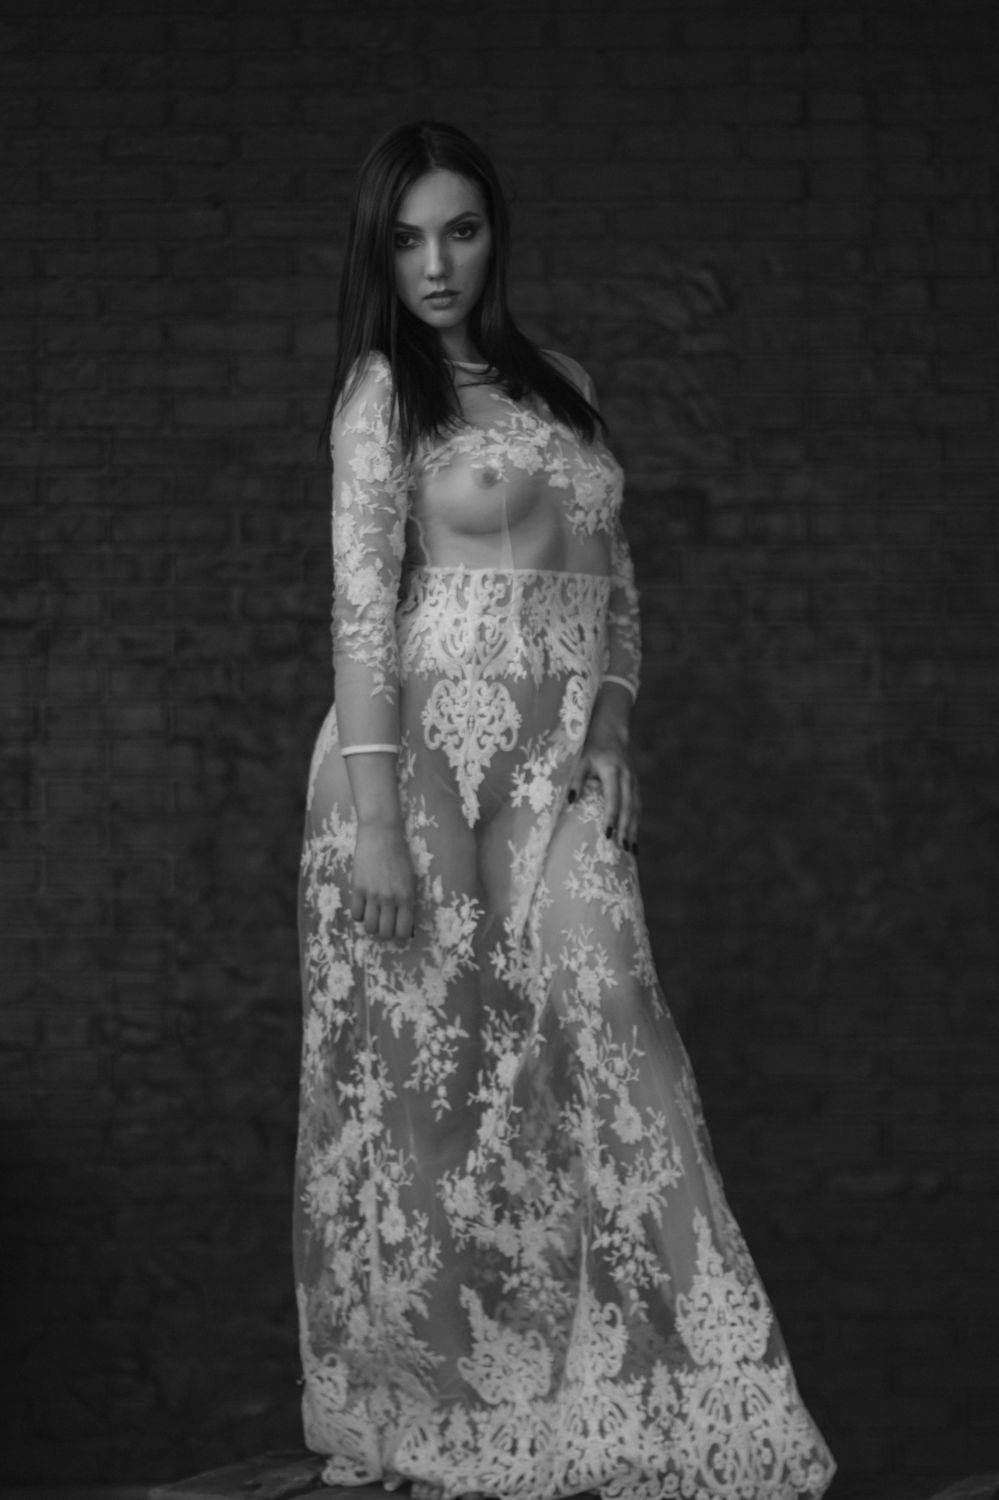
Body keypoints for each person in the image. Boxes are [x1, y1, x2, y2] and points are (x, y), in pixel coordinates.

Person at [294, 120, 835, 1500]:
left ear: (496, 234)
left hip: (554, 774)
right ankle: (425, 1411)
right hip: (413, 769)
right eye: (407, 239)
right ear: (379, 253)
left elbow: (619, 593)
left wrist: (609, 734)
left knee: (621, 1026)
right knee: (439, 1095)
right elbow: (360, 614)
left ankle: (694, 1398)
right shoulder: (382, 397)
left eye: (461, 230)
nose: (436, 264)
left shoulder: (566, 386)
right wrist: (374, 827)